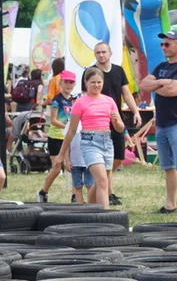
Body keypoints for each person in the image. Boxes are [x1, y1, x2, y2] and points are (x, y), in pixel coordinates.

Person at [141, 31, 177, 217]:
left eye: (167, 44)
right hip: (162, 122)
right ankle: (170, 204)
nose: (163, 47)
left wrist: (158, 84)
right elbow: (144, 85)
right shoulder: (161, 67)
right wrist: (163, 82)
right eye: (162, 44)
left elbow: (173, 91)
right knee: (168, 167)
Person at [57, 67, 125, 209]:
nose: (96, 85)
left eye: (99, 82)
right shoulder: (80, 103)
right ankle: (105, 217)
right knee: (102, 181)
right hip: (89, 143)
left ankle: (89, 208)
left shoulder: (109, 101)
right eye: (93, 82)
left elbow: (120, 128)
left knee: (101, 181)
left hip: (107, 141)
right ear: (86, 83)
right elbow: (71, 131)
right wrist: (61, 155)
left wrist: (117, 121)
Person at [86, 41, 141, 206]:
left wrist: (136, 111)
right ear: (95, 55)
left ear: (110, 53)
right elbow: (85, 97)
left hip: (116, 119)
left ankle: (101, 186)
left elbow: (127, 93)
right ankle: (108, 192)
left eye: (104, 52)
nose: (101, 55)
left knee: (118, 158)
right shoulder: (90, 73)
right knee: (105, 160)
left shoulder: (118, 70)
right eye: (98, 52)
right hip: (98, 122)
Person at [37, 69, 77, 202]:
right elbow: (53, 120)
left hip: (69, 137)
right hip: (56, 137)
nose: (69, 85)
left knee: (72, 166)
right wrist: (67, 126)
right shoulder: (56, 100)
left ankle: (74, 195)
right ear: (61, 82)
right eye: (66, 82)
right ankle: (43, 192)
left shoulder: (74, 100)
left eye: (71, 82)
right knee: (56, 167)